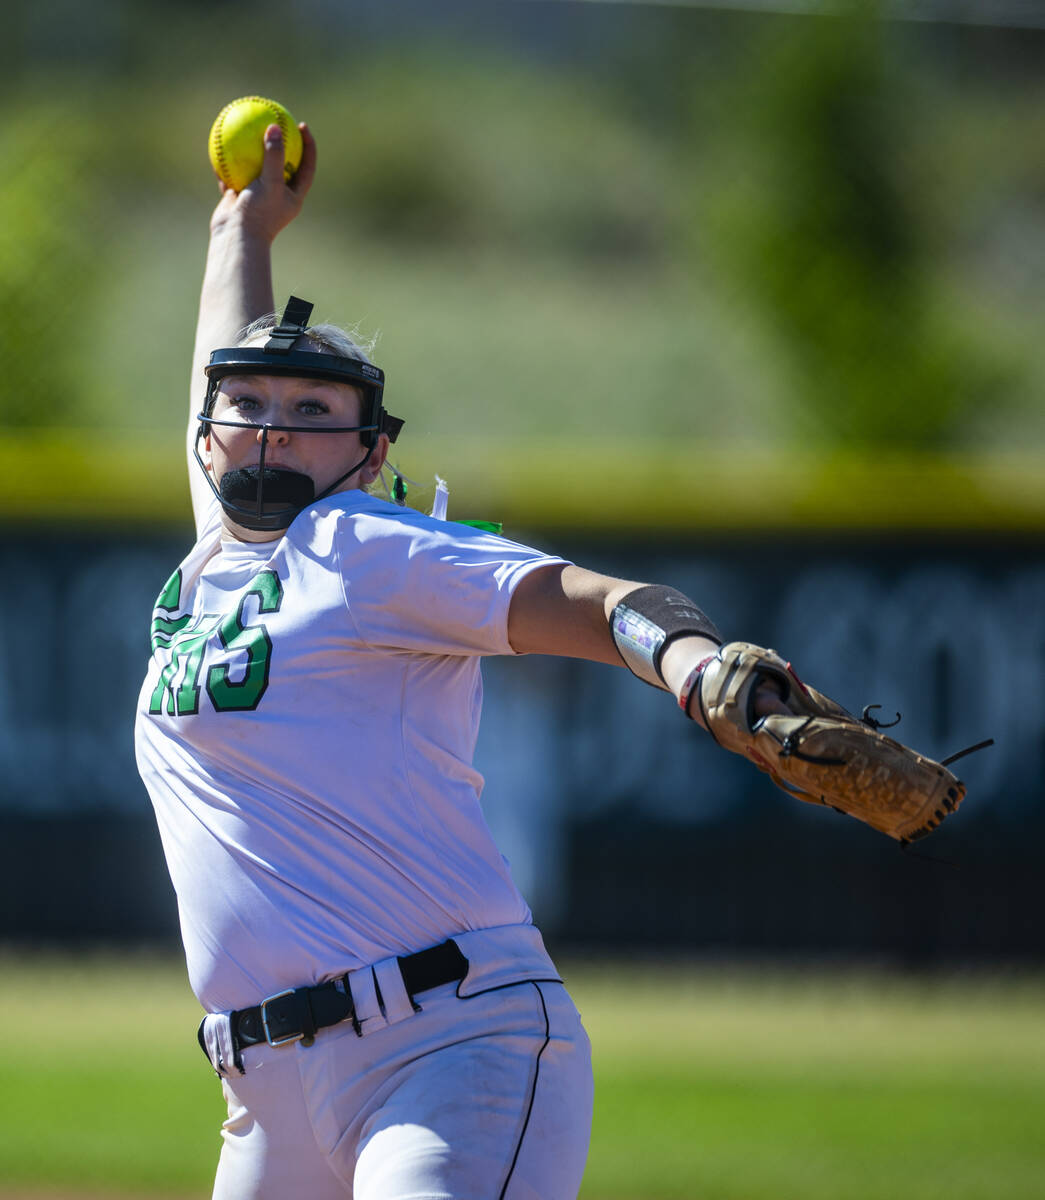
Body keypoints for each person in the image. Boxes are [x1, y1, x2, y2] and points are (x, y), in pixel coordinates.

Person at [135, 120, 791, 1200]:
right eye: (246, 409)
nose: (269, 432)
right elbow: (221, 369)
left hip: (447, 1050)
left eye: (311, 415)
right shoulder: (218, 560)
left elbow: (588, 600)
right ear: (208, 432)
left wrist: (689, 663)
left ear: (371, 452)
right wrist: (236, 226)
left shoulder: (364, 546)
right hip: (264, 1090)